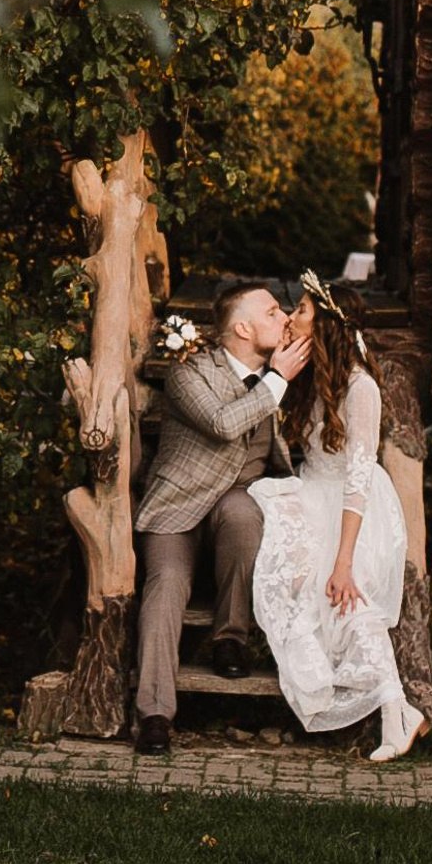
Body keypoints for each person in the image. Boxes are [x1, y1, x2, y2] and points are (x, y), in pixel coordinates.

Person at [248, 272, 427, 762]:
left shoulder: (360, 388)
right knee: (308, 595)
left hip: (355, 513)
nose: (290, 316)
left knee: (348, 598)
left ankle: (397, 712)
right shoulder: (307, 379)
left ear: (326, 325)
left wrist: (344, 559)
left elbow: (359, 478)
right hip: (312, 497)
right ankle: (397, 712)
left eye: (301, 310)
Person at [131, 281, 310, 755]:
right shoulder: (189, 375)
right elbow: (223, 423)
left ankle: (230, 637)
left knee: (243, 513)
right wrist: (277, 381)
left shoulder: (284, 367)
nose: (285, 316)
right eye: (273, 311)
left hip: (235, 498)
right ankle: (153, 713)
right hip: (178, 506)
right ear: (243, 328)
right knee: (166, 583)